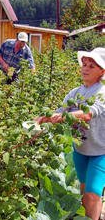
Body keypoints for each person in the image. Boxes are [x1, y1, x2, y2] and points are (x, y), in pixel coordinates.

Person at [35, 48, 105, 220]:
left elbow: (88, 114)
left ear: (102, 72)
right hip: (81, 150)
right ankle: (95, 213)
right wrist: (40, 120)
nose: (85, 68)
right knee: (83, 189)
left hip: (101, 151)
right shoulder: (75, 93)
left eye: (91, 66)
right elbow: (60, 111)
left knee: (92, 194)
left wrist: (62, 117)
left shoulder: (102, 93)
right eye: (84, 64)